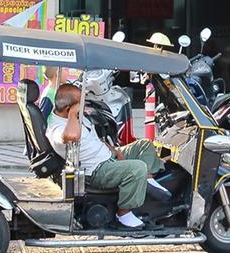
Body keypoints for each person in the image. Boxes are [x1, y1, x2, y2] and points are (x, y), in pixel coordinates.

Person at [46, 83, 169, 230]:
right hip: (97, 170)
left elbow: (96, 140)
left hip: (107, 155)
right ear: (68, 109)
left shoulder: (75, 117)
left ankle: (146, 179)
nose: (83, 105)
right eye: (81, 103)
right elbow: (71, 135)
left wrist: (115, 151)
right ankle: (124, 214)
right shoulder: (57, 127)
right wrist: (73, 113)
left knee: (144, 145)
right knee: (137, 168)